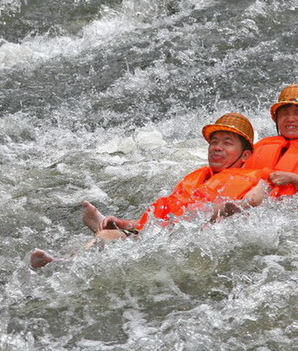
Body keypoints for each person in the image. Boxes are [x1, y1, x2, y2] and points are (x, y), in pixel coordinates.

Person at [30, 113, 268, 268]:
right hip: (167, 233)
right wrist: (125, 222)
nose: (217, 147)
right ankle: (63, 261)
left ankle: (100, 239)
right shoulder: (197, 177)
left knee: (127, 243)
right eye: (214, 142)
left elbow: (256, 199)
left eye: (227, 143)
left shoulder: (254, 178)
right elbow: (167, 216)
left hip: (196, 241)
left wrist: (233, 208)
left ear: (245, 154)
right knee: (108, 236)